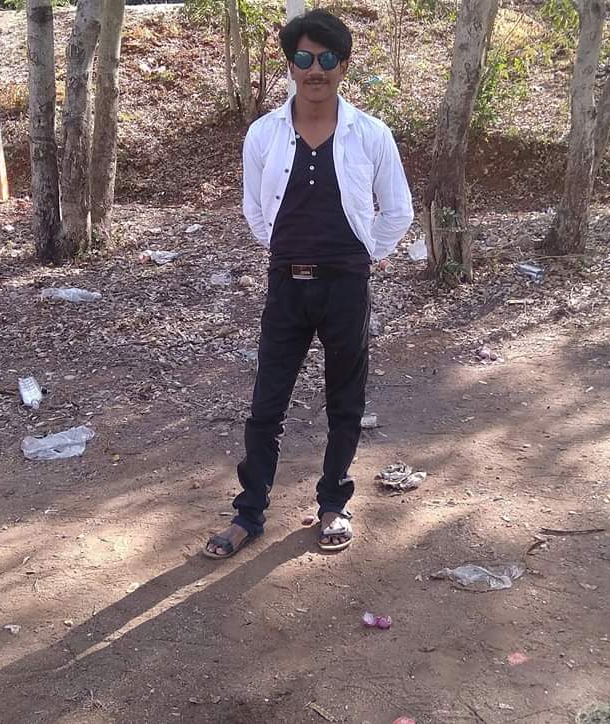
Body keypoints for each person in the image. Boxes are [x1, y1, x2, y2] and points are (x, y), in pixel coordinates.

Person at [204, 9, 413, 559]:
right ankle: (249, 514)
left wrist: (364, 256)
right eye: (303, 57)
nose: (314, 68)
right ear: (290, 65)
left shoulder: (371, 134)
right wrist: (284, 251)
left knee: (345, 401)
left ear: (343, 65)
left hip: (346, 286)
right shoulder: (264, 133)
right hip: (287, 285)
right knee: (266, 404)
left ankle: (333, 505)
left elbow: (397, 210)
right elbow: (255, 209)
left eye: (326, 58)